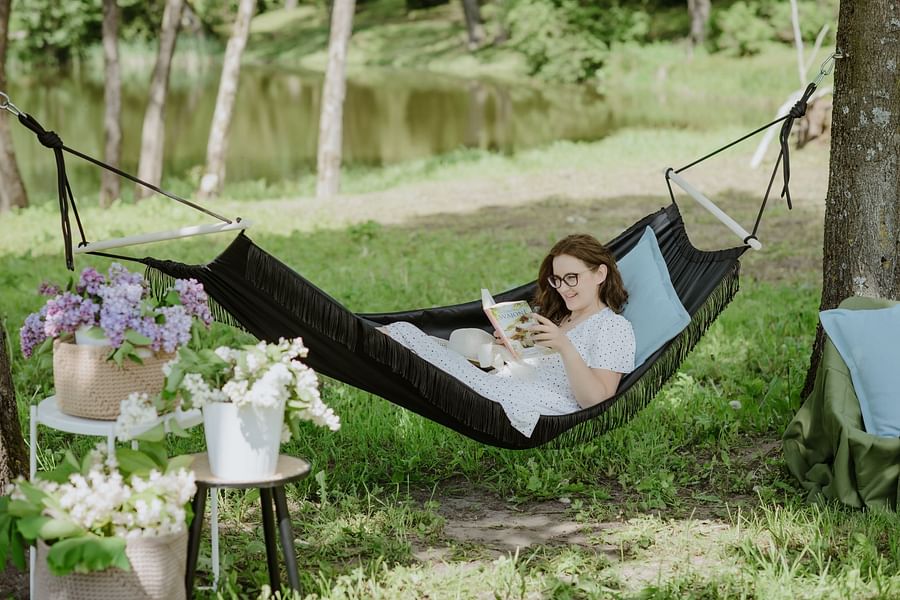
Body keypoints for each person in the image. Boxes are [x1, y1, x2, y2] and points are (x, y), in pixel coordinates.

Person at [381, 233, 635, 438]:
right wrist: (510, 345)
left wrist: (564, 346)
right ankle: (359, 342)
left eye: (572, 278)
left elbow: (597, 400)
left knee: (405, 336)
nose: (564, 289)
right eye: (557, 280)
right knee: (419, 340)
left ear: (600, 274)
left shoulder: (613, 327)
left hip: (526, 402)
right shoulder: (560, 317)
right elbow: (537, 365)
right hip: (507, 384)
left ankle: (357, 338)